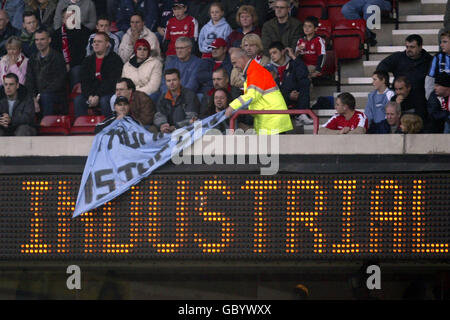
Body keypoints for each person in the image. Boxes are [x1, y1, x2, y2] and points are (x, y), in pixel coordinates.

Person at [224, 48, 293, 135]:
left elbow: (252, 96)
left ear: (242, 58)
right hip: (269, 119)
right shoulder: (252, 71)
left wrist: (232, 107)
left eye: (234, 62)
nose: (234, 66)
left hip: (272, 120)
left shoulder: (255, 71)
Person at [376, 34, 432, 120]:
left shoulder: (429, 60)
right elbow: (381, 68)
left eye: (412, 47)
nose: (408, 50)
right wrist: (387, 86)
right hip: (401, 98)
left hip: (421, 101)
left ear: (420, 47)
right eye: (407, 47)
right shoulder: (398, 57)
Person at [75, 32, 123, 118]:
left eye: (99, 41)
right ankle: (83, 128)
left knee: (104, 101)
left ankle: (108, 127)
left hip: (108, 93)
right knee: (78, 100)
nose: (96, 44)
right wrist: (89, 95)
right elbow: (84, 81)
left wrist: (98, 95)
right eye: (94, 42)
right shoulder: (87, 61)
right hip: (91, 94)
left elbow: (112, 82)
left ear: (107, 44)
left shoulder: (115, 59)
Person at [25, 28, 67, 116]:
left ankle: (46, 126)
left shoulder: (57, 58)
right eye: (36, 40)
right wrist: (33, 97)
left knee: (46, 97)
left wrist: (40, 94)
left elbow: (59, 82)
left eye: (42, 39)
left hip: (55, 94)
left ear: (49, 40)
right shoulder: (32, 59)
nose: (39, 42)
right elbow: (29, 81)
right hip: (38, 94)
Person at [51, 7, 91, 89]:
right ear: (63, 20)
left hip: (78, 64)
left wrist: (70, 64)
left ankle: (75, 97)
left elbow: (84, 54)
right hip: (61, 64)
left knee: (76, 71)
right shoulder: (56, 34)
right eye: (68, 17)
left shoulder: (85, 32)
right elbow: (54, 53)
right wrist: (63, 65)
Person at [154, 68, 200, 133]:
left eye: (174, 80)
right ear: (166, 82)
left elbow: (192, 118)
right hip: (168, 131)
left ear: (179, 80)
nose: (171, 83)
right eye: (168, 81)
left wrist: (175, 127)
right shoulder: (162, 98)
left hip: (187, 131)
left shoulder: (190, 95)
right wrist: (163, 125)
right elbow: (159, 115)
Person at [278, 45, 312, 126]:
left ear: (283, 52)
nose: (272, 55)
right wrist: (288, 95)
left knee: (304, 81)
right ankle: (300, 114)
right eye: (271, 53)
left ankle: (300, 114)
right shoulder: (269, 68)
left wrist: (293, 56)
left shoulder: (290, 64)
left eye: (274, 52)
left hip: (292, 96)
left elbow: (303, 73)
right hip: (279, 101)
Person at [425, 31, 450, 100]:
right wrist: (430, 98)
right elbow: (430, 79)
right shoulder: (438, 57)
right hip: (440, 97)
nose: (441, 45)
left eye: (445, 42)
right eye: (441, 42)